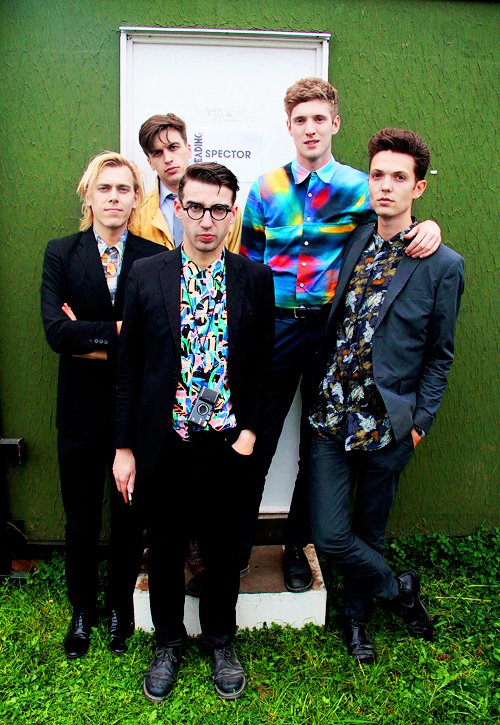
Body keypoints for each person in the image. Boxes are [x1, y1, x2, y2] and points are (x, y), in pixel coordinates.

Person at [240, 77, 442, 592]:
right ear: (288, 127)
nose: (310, 128)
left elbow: (396, 229)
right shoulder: (264, 190)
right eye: (299, 119)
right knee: (255, 438)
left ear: (335, 123)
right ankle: (237, 546)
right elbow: (248, 268)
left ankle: (295, 548)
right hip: (275, 330)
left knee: (316, 448)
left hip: (331, 335)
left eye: (318, 118)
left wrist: (430, 227)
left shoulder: (360, 187)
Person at [113, 162, 274, 701]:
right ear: (179, 208)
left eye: (218, 209)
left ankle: (221, 640)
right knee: (163, 548)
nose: (207, 220)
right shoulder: (147, 274)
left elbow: (263, 368)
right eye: (197, 207)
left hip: (227, 443)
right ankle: (167, 642)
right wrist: (124, 447)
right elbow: (129, 367)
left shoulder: (254, 279)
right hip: (165, 441)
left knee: (224, 550)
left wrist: (249, 433)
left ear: (233, 213)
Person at [309, 128, 464, 662]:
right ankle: (400, 590)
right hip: (331, 416)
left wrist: (419, 424)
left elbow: (440, 355)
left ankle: (356, 621)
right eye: (378, 175)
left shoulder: (443, 265)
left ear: (418, 187)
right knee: (331, 535)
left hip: (388, 424)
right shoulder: (355, 239)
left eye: (399, 177)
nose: (386, 186)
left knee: (370, 529)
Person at [41, 152, 165, 659]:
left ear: (136, 199)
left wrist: (88, 336)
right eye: (105, 188)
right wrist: (119, 333)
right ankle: (81, 610)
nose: (114, 197)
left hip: (134, 410)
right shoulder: (61, 254)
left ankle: (119, 606)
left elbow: (158, 337)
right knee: (81, 516)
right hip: (79, 410)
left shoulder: (153, 258)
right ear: (88, 196)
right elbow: (56, 333)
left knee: (128, 515)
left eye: (124, 189)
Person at [130, 113, 241, 252]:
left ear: (188, 149)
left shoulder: (225, 208)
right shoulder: (138, 213)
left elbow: (236, 260)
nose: (168, 159)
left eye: (173, 147)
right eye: (157, 153)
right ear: (150, 162)